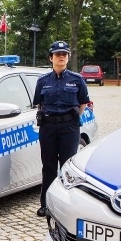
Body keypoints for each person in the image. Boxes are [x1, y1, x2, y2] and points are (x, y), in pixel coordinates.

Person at [33, 41, 91, 217]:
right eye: (57, 54)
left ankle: (68, 206)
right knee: (48, 166)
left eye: (64, 54)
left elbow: (83, 103)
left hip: (69, 127)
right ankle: (46, 204)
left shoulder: (77, 80)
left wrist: (70, 120)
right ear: (51, 57)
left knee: (68, 166)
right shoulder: (43, 81)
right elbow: (39, 103)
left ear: (68, 57)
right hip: (48, 127)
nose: (61, 57)